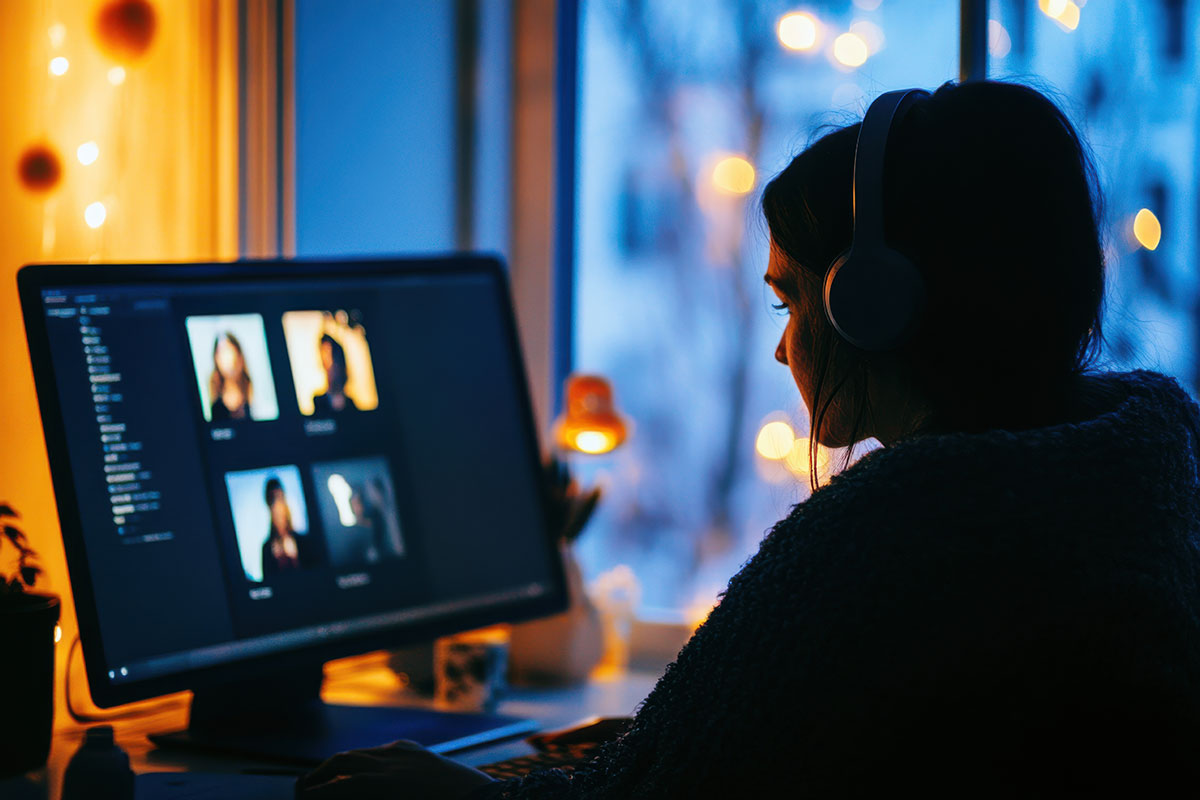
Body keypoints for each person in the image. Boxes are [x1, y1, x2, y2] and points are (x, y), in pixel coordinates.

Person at [295, 81, 1200, 798]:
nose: (780, 343)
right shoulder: (1140, 479)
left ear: (875, 305)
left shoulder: (888, 537)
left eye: (791, 298)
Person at [261, 477, 316, 578]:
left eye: (280, 498)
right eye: (273, 499)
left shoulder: (303, 541)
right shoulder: (267, 548)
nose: (278, 506)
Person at [208, 331, 254, 421]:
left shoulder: (250, 395)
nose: (226, 360)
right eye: (220, 354)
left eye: (229, 352)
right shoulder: (216, 405)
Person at [312, 333, 359, 414]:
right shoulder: (318, 402)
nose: (327, 365)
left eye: (330, 356)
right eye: (324, 358)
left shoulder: (351, 404)